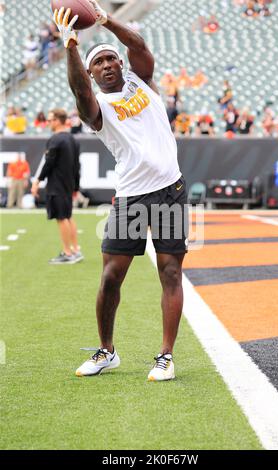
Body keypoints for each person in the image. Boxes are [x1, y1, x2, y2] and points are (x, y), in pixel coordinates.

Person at [53, 0, 188, 381]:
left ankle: (165, 355)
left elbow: (141, 48)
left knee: (172, 272)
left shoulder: (140, 81)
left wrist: (106, 20)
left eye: (112, 59)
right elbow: (80, 94)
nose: (108, 64)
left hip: (169, 192)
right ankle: (107, 351)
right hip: (131, 198)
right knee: (111, 276)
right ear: (93, 74)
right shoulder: (97, 107)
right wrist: (73, 47)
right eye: (100, 63)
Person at [31, 109, 83, 264]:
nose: (48, 122)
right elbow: (77, 165)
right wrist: (76, 186)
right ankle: (75, 249)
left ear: (58, 120)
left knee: (61, 218)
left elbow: (49, 163)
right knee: (68, 216)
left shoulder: (55, 140)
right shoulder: (72, 139)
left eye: (50, 120)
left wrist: (37, 181)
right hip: (67, 184)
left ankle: (67, 253)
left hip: (57, 184)